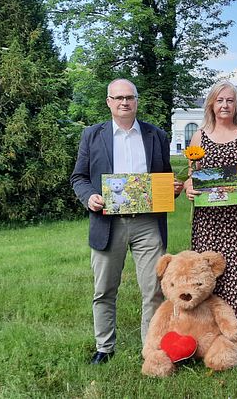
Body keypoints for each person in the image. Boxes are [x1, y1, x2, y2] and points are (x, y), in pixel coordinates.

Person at [70, 78, 183, 365]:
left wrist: (172, 189)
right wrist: (89, 197)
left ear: (137, 100)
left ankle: (152, 347)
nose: (124, 102)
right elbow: (79, 178)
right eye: (118, 98)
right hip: (108, 223)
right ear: (108, 102)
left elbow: (164, 179)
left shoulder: (155, 135)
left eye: (129, 97)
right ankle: (104, 348)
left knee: (154, 290)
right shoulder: (92, 136)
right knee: (104, 289)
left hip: (148, 224)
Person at [183, 81, 237, 351]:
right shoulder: (200, 136)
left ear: (236, 104)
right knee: (208, 274)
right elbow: (192, 176)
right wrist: (189, 187)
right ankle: (210, 333)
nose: (224, 105)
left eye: (230, 101)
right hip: (208, 220)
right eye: (219, 100)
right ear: (211, 103)